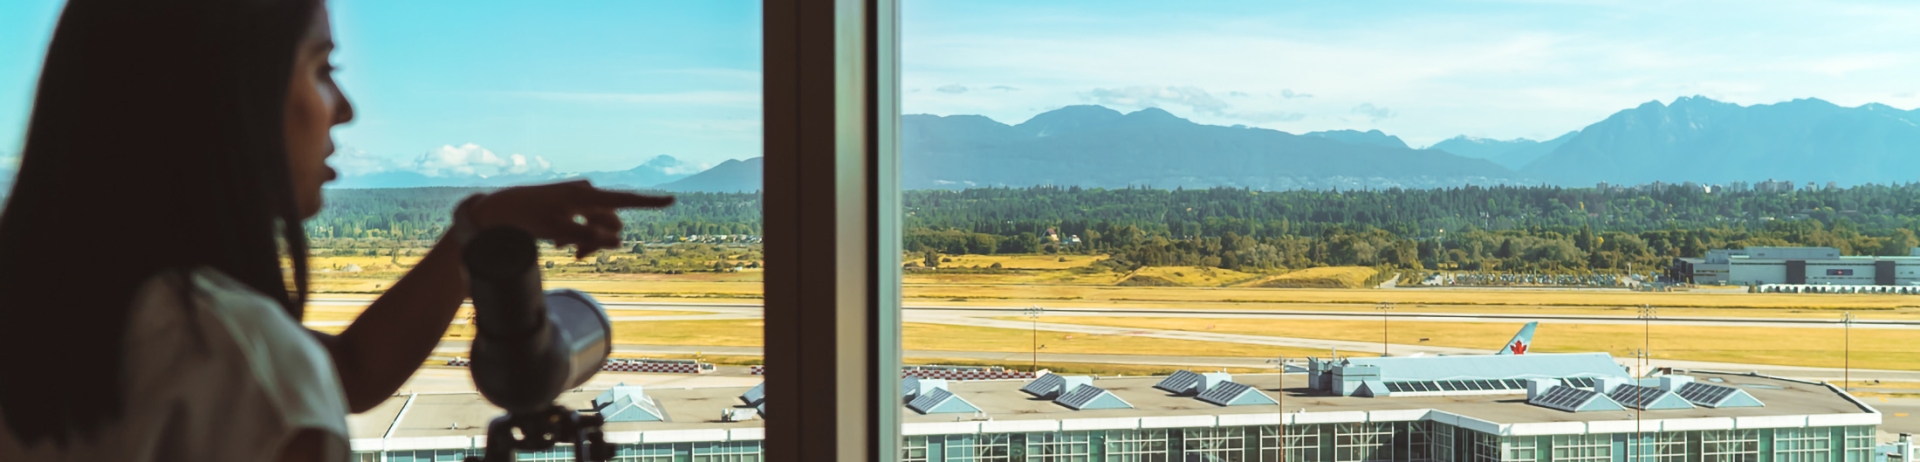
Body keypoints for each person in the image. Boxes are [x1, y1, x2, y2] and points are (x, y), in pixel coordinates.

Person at [0, 0, 672, 460]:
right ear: (228, 90)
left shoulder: (56, 306)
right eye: (322, 69)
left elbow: (349, 373)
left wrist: (477, 228)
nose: (344, 110)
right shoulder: (232, 351)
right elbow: (291, 379)